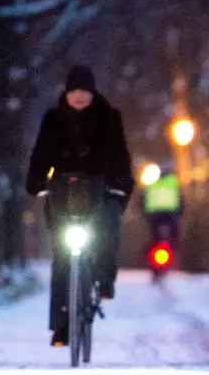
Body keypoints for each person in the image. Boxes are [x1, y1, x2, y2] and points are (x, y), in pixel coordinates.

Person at [25, 65, 134, 346]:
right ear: (67, 93)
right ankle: (61, 325)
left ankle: (104, 280)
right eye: (74, 91)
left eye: (84, 91)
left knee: (108, 229)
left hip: (100, 188)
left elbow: (120, 155)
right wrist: (36, 182)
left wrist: (120, 182)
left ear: (92, 93)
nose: (79, 97)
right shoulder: (53, 120)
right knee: (62, 256)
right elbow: (41, 154)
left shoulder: (109, 118)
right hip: (63, 191)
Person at [141, 162, 183, 244]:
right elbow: (180, 198)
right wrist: (180, 212)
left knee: (154, 236)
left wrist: (144, 212)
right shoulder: (173, 180)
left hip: (154, 214)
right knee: (174, 236)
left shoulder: (150, 180)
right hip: (171, 213)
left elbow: (143, 198)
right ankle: (175, 249)